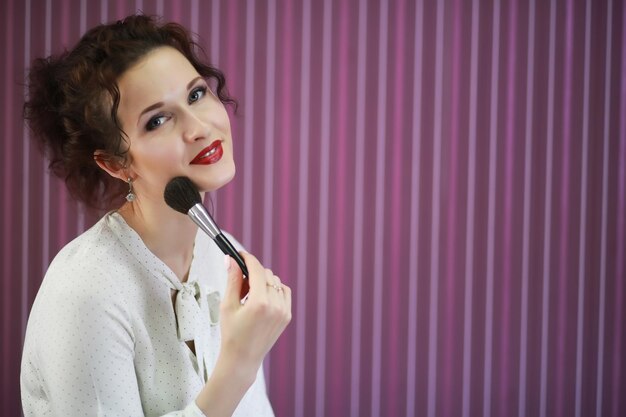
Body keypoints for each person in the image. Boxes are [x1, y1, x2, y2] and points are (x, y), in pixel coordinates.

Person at [20, 14, 291, 417]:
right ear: (115, 164)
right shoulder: (85, 291)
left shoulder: (226, 257)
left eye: (197, 94)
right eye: (158, 120)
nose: (198, 127)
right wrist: (238, 366)